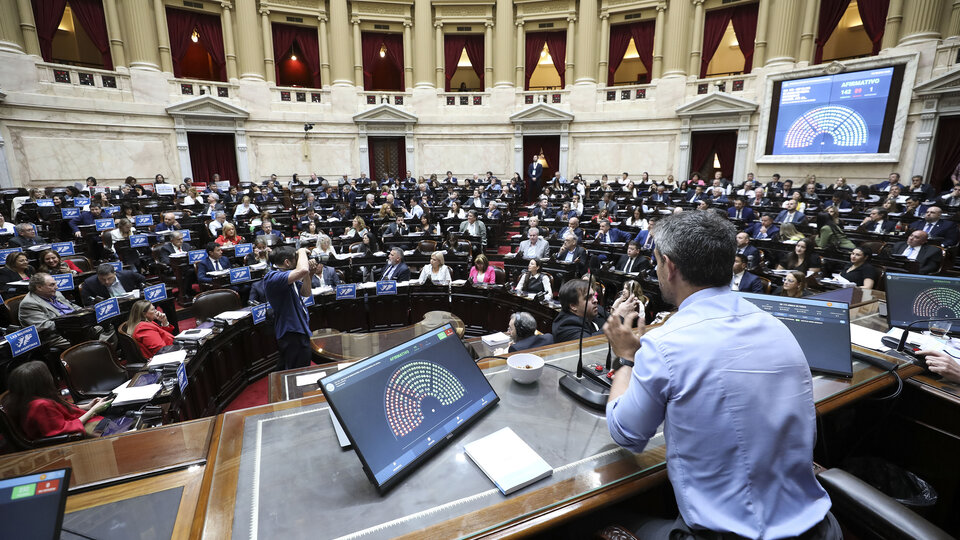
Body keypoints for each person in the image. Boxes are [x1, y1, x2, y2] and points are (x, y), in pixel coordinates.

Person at [602, 211, 836, 539]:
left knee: (586, 522)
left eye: (655, 262)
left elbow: (627, 434)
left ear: (669, 266)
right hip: (818, 528)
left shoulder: (667, 342)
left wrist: (627, 359)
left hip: (727, 535)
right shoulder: (778, 328)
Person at [2, 361, 111, 439]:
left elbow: (61, 408)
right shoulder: (40, 406)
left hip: (83, 423)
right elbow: (65, 428)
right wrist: (93, 410)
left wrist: (88, 406)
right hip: (81, 434)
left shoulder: (25, 399)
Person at [263, 247, 313, 371]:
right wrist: (301, 251)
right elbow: (302, 269)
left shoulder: (289, 277)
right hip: (291, 332)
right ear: (287, 262)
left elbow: (306, 292)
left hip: (300, 328)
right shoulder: (273, 277)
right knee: (297, 372)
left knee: (295, 367)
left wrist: (307, 273)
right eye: (296, 259)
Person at [19, 273, 83, 350]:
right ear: (39, 287)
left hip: (78, 327)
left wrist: (84, 313)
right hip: (56, 336)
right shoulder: (29, 304)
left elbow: (72, 306)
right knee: (90, 341)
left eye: (55, 284)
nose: (56, 287)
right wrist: (74, 322)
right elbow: (44, 326)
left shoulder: (56, 293)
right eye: (52, 285)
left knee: (100, 328)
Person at [552, 278, 608, 343]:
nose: (595, 300)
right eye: (588, 297)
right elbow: (588, 345)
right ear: (573, 306)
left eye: (593, 295)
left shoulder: (593, 309)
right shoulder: (567, 325)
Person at [81, 263, 147, 305]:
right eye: (102, 279)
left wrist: (139, 292)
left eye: (109, 278)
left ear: (114, 274)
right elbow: (87, 301)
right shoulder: (89, 283)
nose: (106, 282)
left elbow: (142, 279)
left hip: (132, 303)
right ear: (97, 276)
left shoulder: (127, 274)